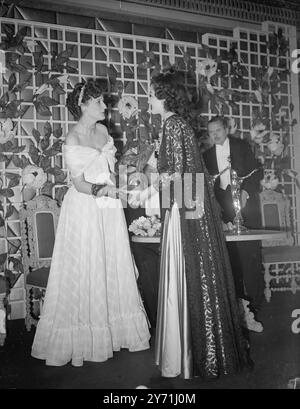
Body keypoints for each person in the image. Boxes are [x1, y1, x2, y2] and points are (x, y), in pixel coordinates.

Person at [129, 71, 252, 379]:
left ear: (166, 97)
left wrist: (143, 188)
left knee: (185, 277)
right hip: (185, 208)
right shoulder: (178, 125)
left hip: (182, 211)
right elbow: (183, 175)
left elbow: (175, 176)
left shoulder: (172, 125)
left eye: (152, 94)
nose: (149, 99)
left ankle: (188, 355)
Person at [31, 78, 150, 366]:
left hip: (109, 206)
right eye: (98, 102)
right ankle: (85, 338)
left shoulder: (104, 131)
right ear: (83, 105)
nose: (104, 106)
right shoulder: (72, 139)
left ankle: (115, 332)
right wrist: (102, 191)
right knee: (88, 265)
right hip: (85, 207)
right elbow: (81, 184)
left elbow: (110, 170)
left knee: (111, 262)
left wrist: (131, 177)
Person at [203, 116, 264, 332]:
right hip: (223, 211)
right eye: (211, 132)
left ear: (226, 129)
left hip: (246, 206)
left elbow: (257, 173)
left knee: (250, 257)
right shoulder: (206, 156)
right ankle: (237, 308)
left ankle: (256, 305)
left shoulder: (241, 146)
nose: (215, 135)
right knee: (230, 260)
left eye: (218, 130)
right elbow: (209, 188)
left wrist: (246, 191)